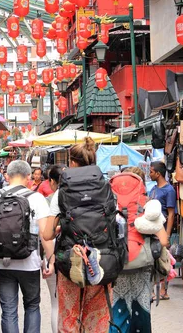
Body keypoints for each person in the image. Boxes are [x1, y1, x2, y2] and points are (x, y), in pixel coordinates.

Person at [43, 137, 114, 333]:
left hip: (71, 261)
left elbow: (47, 234)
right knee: (96, 320)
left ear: (72, 162)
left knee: (69, 319)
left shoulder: (62, 192)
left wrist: (60, 228)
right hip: (100, 261)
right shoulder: (107, 186)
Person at [0, 160, 54, 333]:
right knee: (32, 306)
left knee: (8, 310)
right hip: (30, 261)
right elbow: (44, 233)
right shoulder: (36, 198)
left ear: (7, 176)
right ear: (29, 177)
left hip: (1, 261)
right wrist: (50, 260)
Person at [111, 166, 169, 333]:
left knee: (118, 312)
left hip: (118, 268)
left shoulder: (111, 206)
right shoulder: (148, 206)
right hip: (142, 269)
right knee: (141, 313)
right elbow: (164, 240)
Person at [148, 161, 176, 300]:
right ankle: (153, 290)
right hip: (152, 230)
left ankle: (164, 291)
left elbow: (171, 213)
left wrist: (168, 234)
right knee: (153, 260)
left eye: (151, 171)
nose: (149, 174)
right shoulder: (153, 189)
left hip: (162, 230)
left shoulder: (169, 190)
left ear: (158, 173)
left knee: (164, 259)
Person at [42, 164, 64, 333]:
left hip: (55, 254)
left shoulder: (49, 200)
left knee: (56, 303)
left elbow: (46, 234)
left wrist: (50, 260)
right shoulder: (81, 197)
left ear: (51, 181)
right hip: (79, 254)